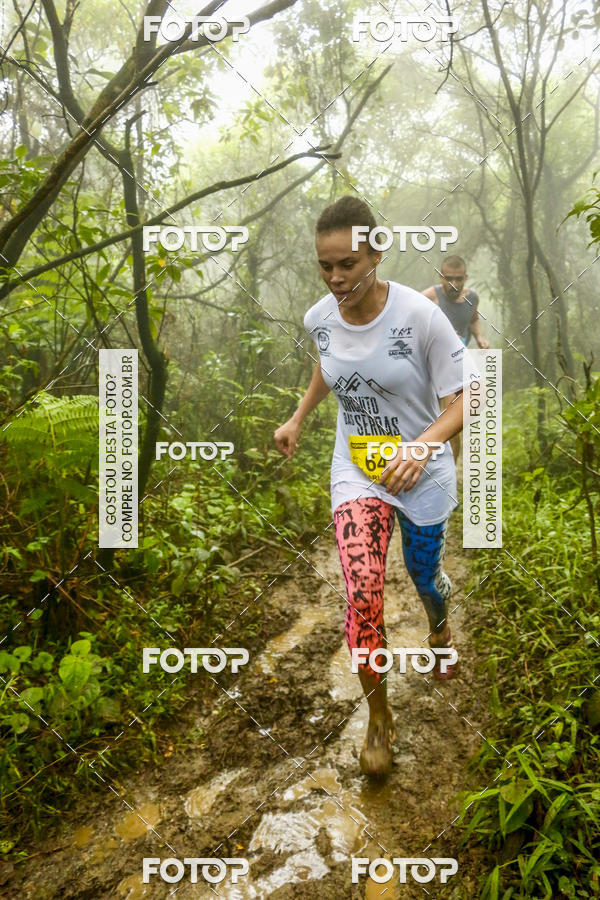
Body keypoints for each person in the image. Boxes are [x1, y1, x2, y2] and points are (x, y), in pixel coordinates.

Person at [273, 196, 476, 778]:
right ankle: (380, 717)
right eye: (326, 266)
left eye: (348, 264)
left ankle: (439, 628)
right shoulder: (320, 316)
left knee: (424, 576)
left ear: (377, 254)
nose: (336, 279)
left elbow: (463, 401)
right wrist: (298, 416)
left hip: (422, 473)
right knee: (362, 592)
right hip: (356, 470)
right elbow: (328, 362)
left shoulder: (421, 316)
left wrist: (422, 445)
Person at [422, 257, 489, 462]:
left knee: (451, 414)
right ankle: (421, 458)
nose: (454, 284)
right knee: (428, 413)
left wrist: (479, 337)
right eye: (449, 279)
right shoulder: (428, 297)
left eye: (459, 279)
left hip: (455, 362)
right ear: (441, 277)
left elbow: (474, 318)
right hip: (428, 362)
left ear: (465, 278)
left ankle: (450, 467)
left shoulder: (472, 298)